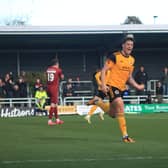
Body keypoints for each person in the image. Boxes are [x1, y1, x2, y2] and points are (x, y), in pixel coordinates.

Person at [101, 34, 144, 143]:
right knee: (120, 104)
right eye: (128, 44)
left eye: (132, 45)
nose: (130, 46)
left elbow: (129, 77)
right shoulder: (114, 56)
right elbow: (103, 70)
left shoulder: (131, 60)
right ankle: (125, 136)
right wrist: (103, 85)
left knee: (113, 114)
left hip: (121, 88)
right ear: (123, 45)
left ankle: (98, 103)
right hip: (111, 86)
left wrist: (137, 86)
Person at [46, 58, 64, 125]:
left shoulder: (48, 69)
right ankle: (49, 121)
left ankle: (57, 119)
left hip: (48, 87)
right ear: (57, 64)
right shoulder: (58, 70)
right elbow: (62, 77)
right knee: (53, 104)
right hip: (54, 88)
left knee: (55, 104)